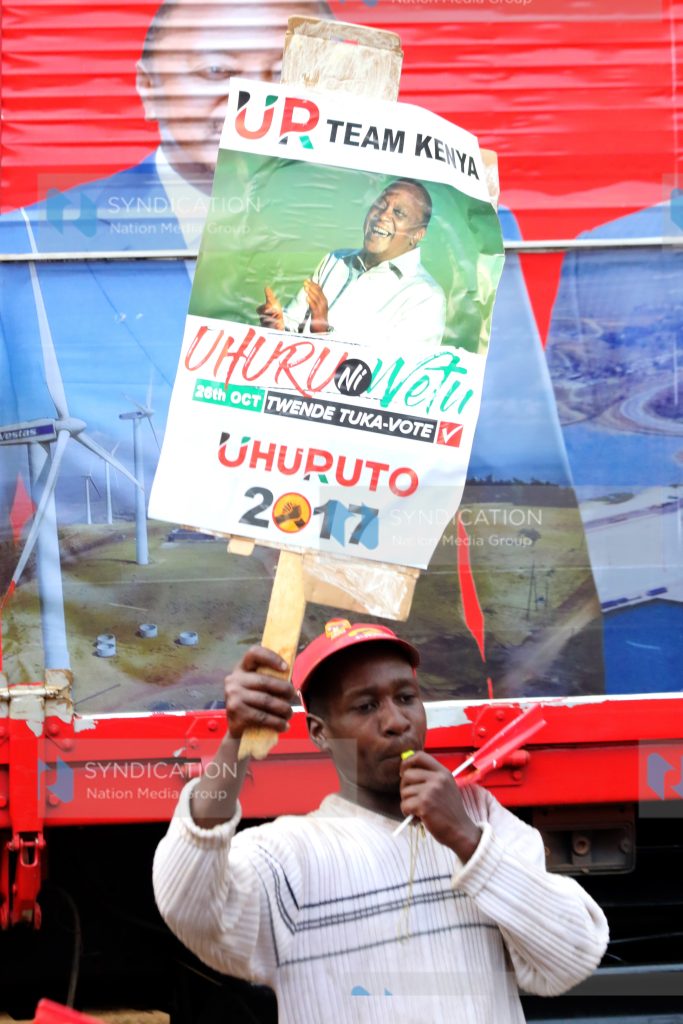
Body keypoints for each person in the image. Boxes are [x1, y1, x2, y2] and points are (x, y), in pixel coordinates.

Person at [153, 618, 609, 1022]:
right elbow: (192, 909)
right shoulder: (291, 852)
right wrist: (235, 742)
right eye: (366, 706)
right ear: (320, 733)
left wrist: (467, 840)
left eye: (406, 697)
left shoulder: (479, 816)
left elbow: (571, 957)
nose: (396, 721)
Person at [257, 178, 447, 347]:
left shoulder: (426, 297)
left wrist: (323, 333)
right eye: (380, 205)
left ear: (417, 234)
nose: (383, 215)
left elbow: (395, 372)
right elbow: (293, 324)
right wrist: (278, 326)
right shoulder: (336, 260)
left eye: (398, 213)